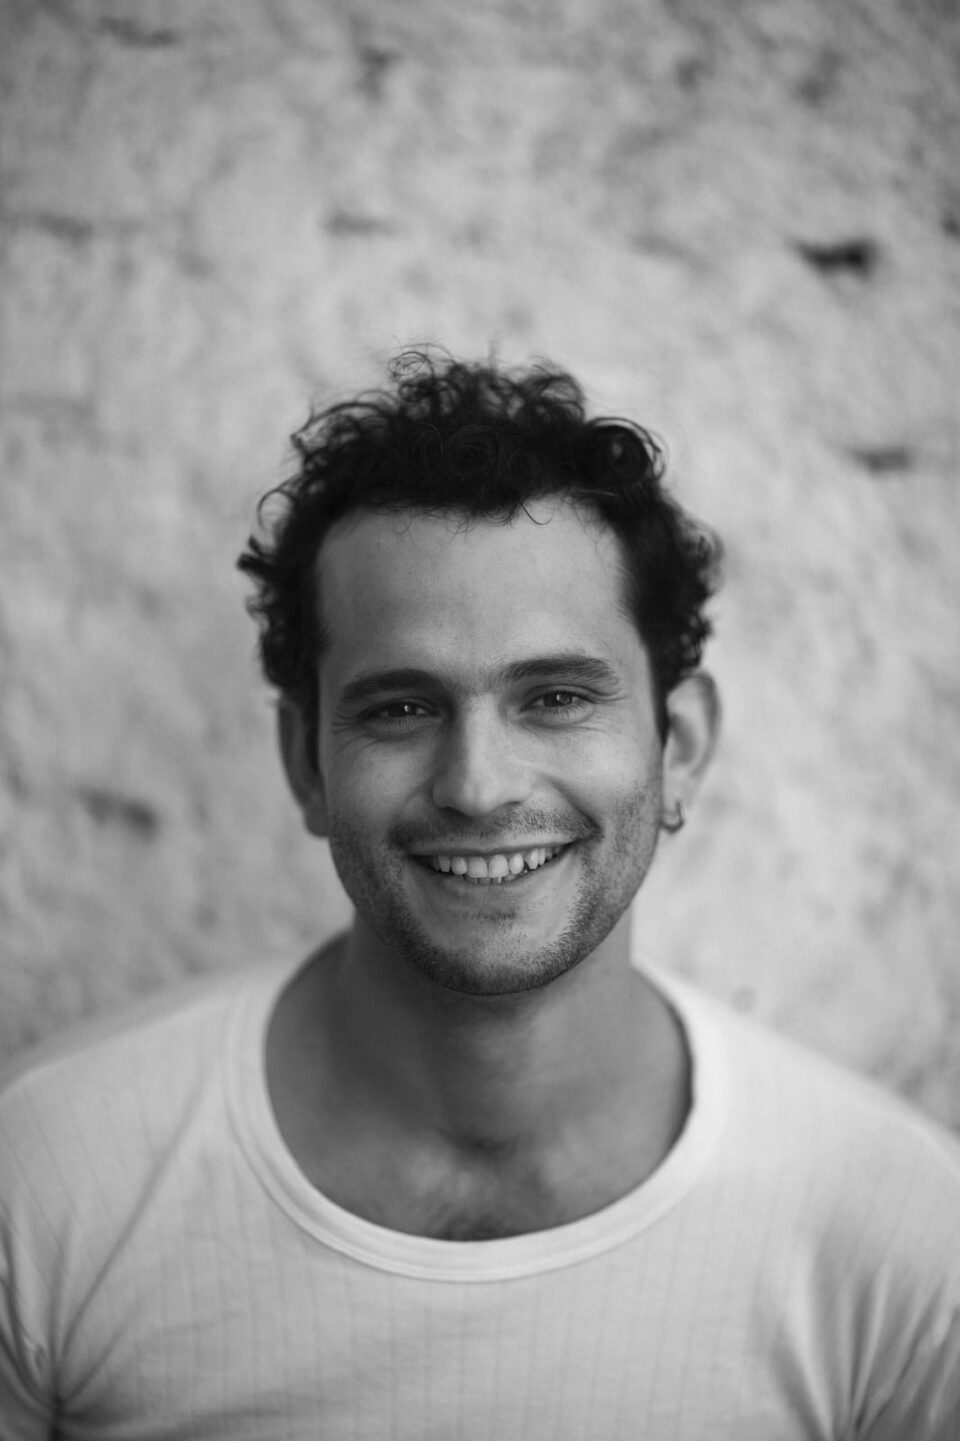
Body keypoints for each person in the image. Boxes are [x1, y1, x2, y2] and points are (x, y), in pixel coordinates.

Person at [1, 349, 958, 1439]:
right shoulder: (49, 1177)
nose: (478, 786)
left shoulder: (899, 1238)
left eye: (555, 697)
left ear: (681, 745)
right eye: (402, 709)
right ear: (306, 762)